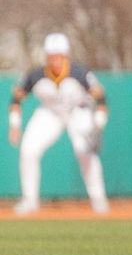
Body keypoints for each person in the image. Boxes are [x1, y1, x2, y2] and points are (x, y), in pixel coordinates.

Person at [9, 33, 110, 215]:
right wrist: (14, 125)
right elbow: (16, 97)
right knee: (28, 150)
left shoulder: (80, 73)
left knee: (84, 152)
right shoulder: (36, 75)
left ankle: (99, 199)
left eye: (59, 55)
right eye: (51, 56)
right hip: (50, 113)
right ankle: (29, 201)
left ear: (66, 56)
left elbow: (100, 96)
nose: (55, 60)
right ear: (46, 56)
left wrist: (99, 124)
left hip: (78, 111)